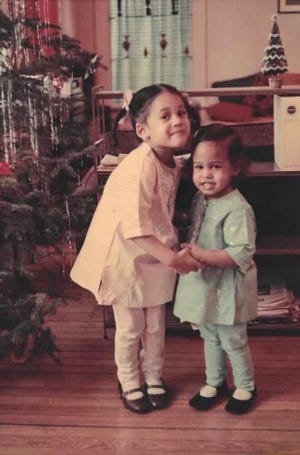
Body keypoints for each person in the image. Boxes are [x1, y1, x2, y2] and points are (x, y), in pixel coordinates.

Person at [70, 84, 202, 414]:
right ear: (142, 131)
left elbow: (175, 173)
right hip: (125, 258)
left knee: (156, 325)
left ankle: (154, 376)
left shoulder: (169, 158)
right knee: (130, 328)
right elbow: (134, 229)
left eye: (182, 113)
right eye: (166, 115)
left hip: (155, 253)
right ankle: (129, 381)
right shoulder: (139, 166)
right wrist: (176, 261)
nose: (177, 121)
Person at [174, 123, 257, 415]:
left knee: (233, 339)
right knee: (209, 334)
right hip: (206, 284)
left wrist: (203, 254)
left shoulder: (238, 208)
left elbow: (242, 251)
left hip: (227, 288)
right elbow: (197, 229)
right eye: (199, 167)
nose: (205, 175)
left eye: (215, 166)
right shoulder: (201, 198)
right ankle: (215, 381)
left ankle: (246, 386)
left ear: (235, 167)